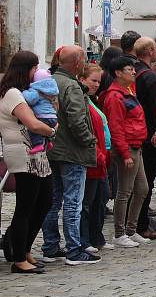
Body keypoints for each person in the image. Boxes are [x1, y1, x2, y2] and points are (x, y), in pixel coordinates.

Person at [42, 45, 101, 265]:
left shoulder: (49, 81)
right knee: (73, 201)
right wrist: (89, 140)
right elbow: (77, 119)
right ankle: (74, 249)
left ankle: (50, 245)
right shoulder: (71, 86)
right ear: (77, 63)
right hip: (72, 151)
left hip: (52, 149)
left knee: (53, 201)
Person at [0, 52, 56, 273]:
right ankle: (18, 256)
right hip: (23, 153)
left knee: (45, 200)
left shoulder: (21, 92)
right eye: (35, 68)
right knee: (26, 205)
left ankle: (23, 248)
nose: (36, 72)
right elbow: (32, 123)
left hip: (36, 154)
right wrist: (51, 130)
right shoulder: (12, 93)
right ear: (27, 69)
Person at [100, 56, 150, 248]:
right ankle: (120, 233)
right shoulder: (115, 96)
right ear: (118, 73)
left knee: (142, 189)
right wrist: (125, 153)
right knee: (124, 191)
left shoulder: (128, 91)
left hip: (136, 145)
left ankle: (131, 229)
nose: (133, 72)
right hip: (127, 147)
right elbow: (116, 127)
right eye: (129, 69)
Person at [131, 37, 156, 240]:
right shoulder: (149, 77)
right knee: (145, 184)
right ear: (151, 51)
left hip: (137, 134)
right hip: (147, 137)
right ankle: (141, 224)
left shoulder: (134, 72)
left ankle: (135, 222)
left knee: (134, 185)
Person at [78, 64, 112, 253]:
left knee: (101, 197)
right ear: (82, 79)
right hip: (92, 156)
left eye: (99, 81)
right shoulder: (83, 100)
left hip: (102, 155)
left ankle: (96, 236)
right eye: (93, 80)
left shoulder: (94, 99)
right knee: (87, 202)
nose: (97, 84)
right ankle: (85, 239)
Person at [21, 69, 59, 155]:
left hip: (43, 116)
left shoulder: (36, 89)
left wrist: (24, 92)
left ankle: (38, 144)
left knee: (34, 130)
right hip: (53, 117)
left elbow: (32, 100)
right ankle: (48, 143)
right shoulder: (51, 91)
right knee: (45, 131)